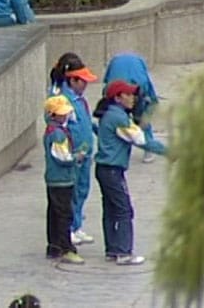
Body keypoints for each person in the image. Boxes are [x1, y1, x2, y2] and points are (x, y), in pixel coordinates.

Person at [93, 79, 168, 265]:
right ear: (117, 97)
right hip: (113, 170)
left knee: (110, 210)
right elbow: (141, 140)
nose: (132, 98)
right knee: (124, 210)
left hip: (103, 169)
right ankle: (124, 251)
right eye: (128, 94)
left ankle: (112, 249)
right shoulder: (119, 118)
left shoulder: (108, 114)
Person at [48, 53, 98, 246]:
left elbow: (85, 121)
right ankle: (69, 229)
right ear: (72, 80)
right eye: (82, 81)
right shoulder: (60, 101)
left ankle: (77, 227)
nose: (85, 85)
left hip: (85, 155)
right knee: (73, 194)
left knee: (82, 191)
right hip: (72, 157)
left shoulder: (80, 100)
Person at [43, 95, 86, 264]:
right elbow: (63, 157)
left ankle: (53, 246)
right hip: (61, 179)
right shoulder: (58, 135)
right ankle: (66, 248)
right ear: (53, 115)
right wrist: (78, 157)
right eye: (61, 114)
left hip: (53, 179)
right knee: (64, 214)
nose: (65, 116)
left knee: (54, 213)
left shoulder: (51, 131)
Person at [103, 52, 161, 163]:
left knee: (135, 118)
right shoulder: (140, 79)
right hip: (131, 91)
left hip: (129, 92)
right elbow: (151, 95)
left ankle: (145, 145)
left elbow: (106, 86)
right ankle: (148, 148)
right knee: (140, 118)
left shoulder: (139, 82)